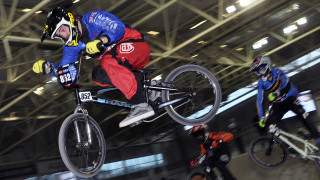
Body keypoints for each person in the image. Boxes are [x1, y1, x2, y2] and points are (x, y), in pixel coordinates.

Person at [32, 7, 155, 128]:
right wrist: (49, 69)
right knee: (98, 75)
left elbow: (118, 27)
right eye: (60, 35)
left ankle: (140, 105)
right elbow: (66, 71)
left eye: (63, 29)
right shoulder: (71, 47)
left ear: (70, 20)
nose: (64, 35)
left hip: (136, 46)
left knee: (108, 61)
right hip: (122, 61)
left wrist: (102, 40)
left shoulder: (92, 18)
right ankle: (148, 87)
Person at [250, 54, 320, 148]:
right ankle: (290, 147)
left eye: (261, 69)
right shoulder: (261, 82)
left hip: (290, 98)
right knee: (272, 120)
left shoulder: (278, 72)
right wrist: (261, 117)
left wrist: (275, 94)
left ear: (267, 65)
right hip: (278, 104)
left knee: (303, 114)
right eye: (258, 71)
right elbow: (259, 100)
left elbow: (286, 85)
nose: (260, 73)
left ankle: (317, 138)